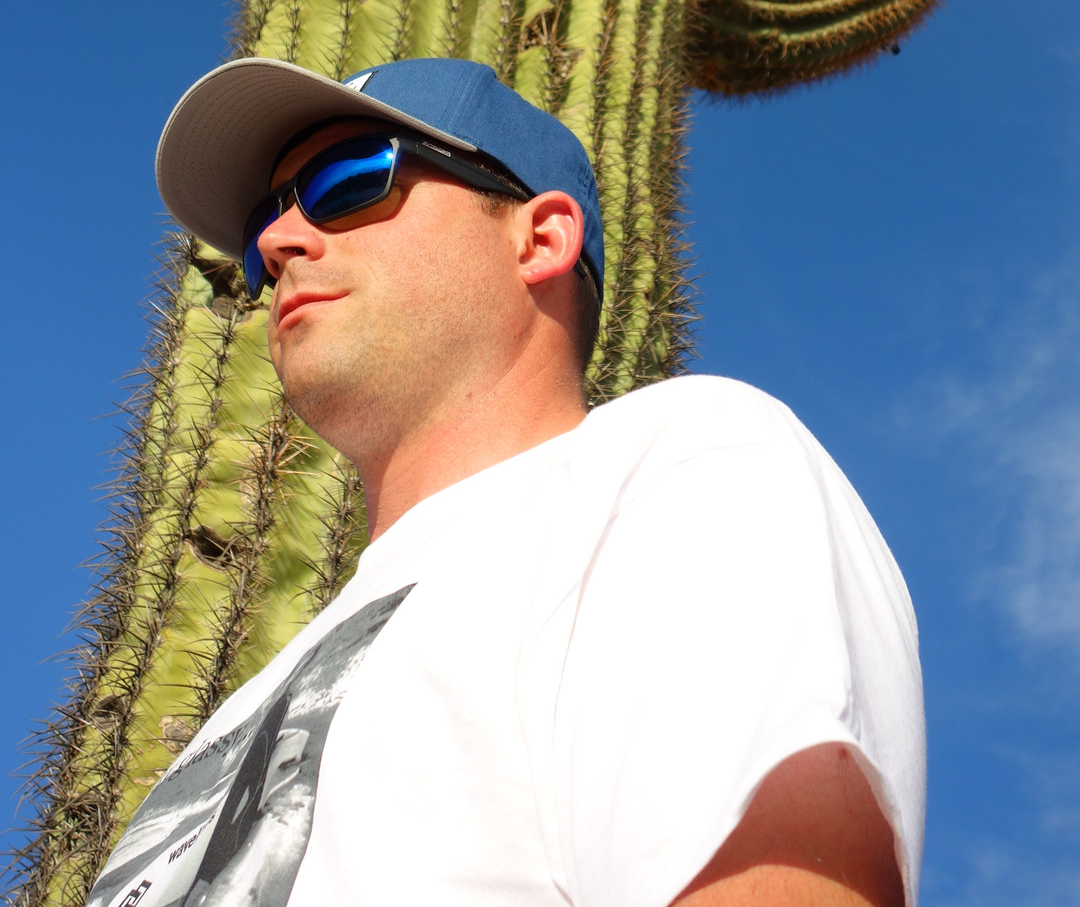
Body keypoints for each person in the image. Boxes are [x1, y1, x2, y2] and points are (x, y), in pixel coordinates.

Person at [87, 55, 925, 907]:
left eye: (348, 179)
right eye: (263, 223)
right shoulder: (237, 717)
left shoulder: (673, 472)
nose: (276, 243)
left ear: (541, 239)